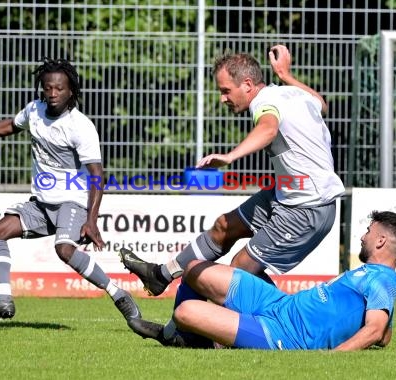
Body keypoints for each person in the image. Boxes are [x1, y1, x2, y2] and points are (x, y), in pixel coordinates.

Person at [119, 45, 344, 338]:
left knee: (239, 269)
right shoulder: (289, 92)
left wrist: (230, 156)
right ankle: (161, 276)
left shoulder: (263, 104)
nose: (223, 98)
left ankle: (198, 333)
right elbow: (321, 103)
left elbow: (268, 129)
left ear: (248, 85)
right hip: (288, 193)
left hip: (308, 207)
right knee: (225, 227)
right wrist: (285, 74)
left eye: (226, 90)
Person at [0, 58, 141, 322]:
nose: (53, 94)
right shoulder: (34, 111)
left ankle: (117, 293)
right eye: (48, 88)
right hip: (42, 203)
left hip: (73, 201)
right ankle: (3, 299)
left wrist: (91, 219)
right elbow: (10, 126)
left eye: (59, 89)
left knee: (64, 249)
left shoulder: (80, 126)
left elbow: (97, 175)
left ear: (71, 91)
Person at [128, 210, 396, 351]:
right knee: (194, 268)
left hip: (282, 334)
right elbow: (384, 334)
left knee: (184, 312)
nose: (363, 236)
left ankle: (178, 337)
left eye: (368, 231)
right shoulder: (378, 279)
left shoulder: (382, 282)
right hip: (279, 303)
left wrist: (334, 357)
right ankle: (190, 336)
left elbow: (376, 331)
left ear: (380, 241)